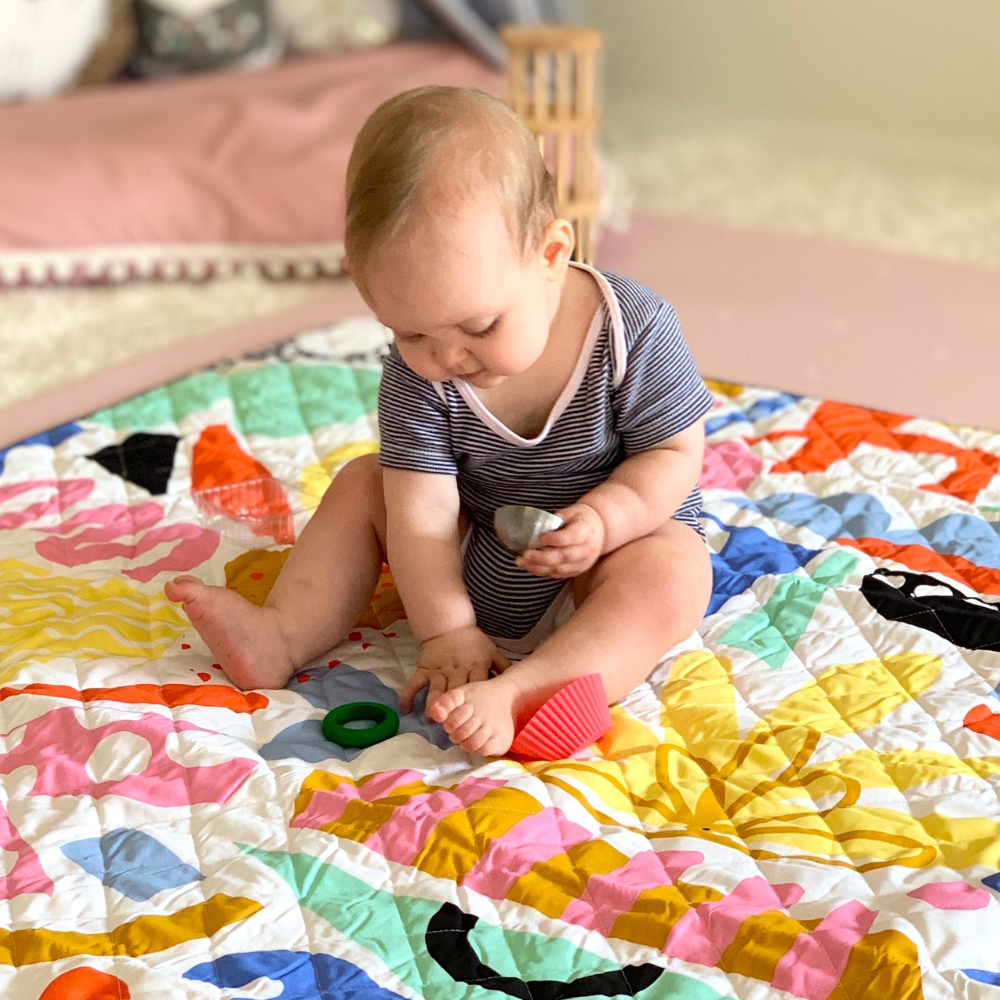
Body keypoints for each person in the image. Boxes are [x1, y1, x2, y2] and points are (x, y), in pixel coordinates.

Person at [166, 86, 713, 756]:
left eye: (480, 325)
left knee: (676, 569)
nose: (447, 357)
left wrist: (606, 521)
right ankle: (284, 632)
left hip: (600, 562)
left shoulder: (635, 330)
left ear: (549, 255)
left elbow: (675, 453)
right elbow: (422, 514)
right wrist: (447, 629)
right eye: (411, 332)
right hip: (477, 549)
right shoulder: (419, 376)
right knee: (367, 481)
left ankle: (532, 690)